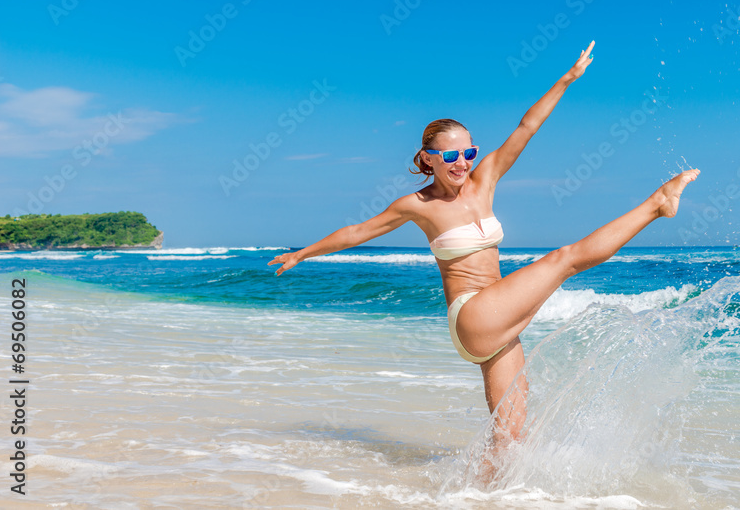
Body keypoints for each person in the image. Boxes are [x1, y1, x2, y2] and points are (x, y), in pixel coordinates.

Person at [269, 40, 699, 461]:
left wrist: (567, 79)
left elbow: (526, 128)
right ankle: (657, 204)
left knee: (511, 440)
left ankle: (485, 497)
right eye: (451, 155)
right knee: (562, 259)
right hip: (473, 316)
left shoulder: (485, 179)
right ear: (428, 159)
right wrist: (301, 253)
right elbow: (358, 232)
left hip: (498, 320)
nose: (462, 162)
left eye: (469, 152)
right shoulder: (418, 206)